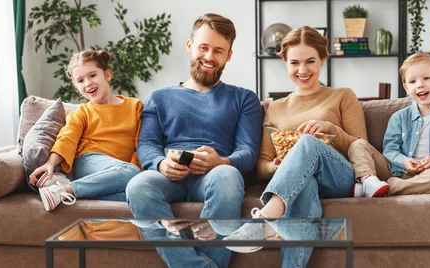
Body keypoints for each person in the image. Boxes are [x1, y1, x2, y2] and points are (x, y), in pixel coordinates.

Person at [125, 13, 263, 268]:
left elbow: (248, 152)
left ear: (228, 56)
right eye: (203, 47)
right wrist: (159, 163)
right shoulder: (159, 97)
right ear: (190, 46)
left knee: (227, 175)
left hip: (214, 176)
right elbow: (147, 144)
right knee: (137, 186)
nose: (210, 57)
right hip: (169, 177)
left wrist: (221, 161)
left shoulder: (244, 99)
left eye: (219, 51)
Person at [224, 26, 367, 266]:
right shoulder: (275, 108)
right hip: (296, 183)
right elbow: (261, 165)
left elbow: (362, 146)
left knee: (307, 142)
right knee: (304, 185)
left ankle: (265, 220)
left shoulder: (342, 95)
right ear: (285, 63)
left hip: (339, 178)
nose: (302, 70)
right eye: (294, 63)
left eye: (310, 61)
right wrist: (277, 167)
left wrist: (329, 129)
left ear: (322, 59)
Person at [28, 50, 143, 212]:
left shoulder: (135, 106)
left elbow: (142, 142)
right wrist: (50, 164)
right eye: (80, 80)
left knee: (137, 192)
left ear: (107, 75)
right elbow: (67, 138)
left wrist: (136, 174)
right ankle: (62, 190)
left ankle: (79, 192)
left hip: (119, 171)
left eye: (92, 76)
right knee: (131, 172)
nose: (87, 83)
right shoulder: (82, 112)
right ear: (77, 87)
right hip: (89, 160)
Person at [349, 52, 430, 197]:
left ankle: (387, 188)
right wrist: (404, 161)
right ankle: (369, 182)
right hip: (396, 169)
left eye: (426, 78)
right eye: (413, 82)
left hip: (428, 174)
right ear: (406, 88)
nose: (420, 85)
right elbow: (390, 150)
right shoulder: (398, 117)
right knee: (358, 144)